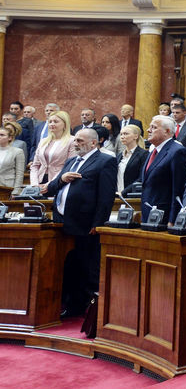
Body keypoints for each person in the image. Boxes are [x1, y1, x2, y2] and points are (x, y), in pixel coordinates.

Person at [40, 128, 116, 317]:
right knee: (69, 267)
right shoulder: (71, 161)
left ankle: (89, 312)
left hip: (85, 223)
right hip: (61, 222)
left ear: (93, 143)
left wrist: (98, 223)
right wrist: (62, 180)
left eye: (80, 141)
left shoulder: (105, 161)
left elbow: (106, 197)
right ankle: (71, 305)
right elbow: (48, 190)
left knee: (86, 267)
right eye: (75, 141)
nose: (76, 144)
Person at [141, 115, 186, 221]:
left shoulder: (177, 151)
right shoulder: (153, 151)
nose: (148, 130)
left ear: (166, 131)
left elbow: (179, 188)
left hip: (165, 216)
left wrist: (173, 219)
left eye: (154, 127)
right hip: (148, 213)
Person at [30, 110, 72, 185]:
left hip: (59, 182)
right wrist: (34, 184)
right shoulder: (43, 141)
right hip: (40, 181)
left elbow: (69, 166)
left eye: (55, 121)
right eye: (50, 122)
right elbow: (35, 165)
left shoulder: (72, 141)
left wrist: (50, 185)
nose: (52, 124)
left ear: (65, 124)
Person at [115, 124, 147, 193]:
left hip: (133, 195)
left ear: (136, 136)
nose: (122, 137)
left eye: (126, 134)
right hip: (118, 194)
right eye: (121, 134)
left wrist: (124, 192)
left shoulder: (144, 154)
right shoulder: (119, 155)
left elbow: (141, 178)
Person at [0, 123, 26, 193]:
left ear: (10, 138)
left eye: (2, 135)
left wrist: (16, 191)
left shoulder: (17, 152)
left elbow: (19, 174)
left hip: (8, 188)